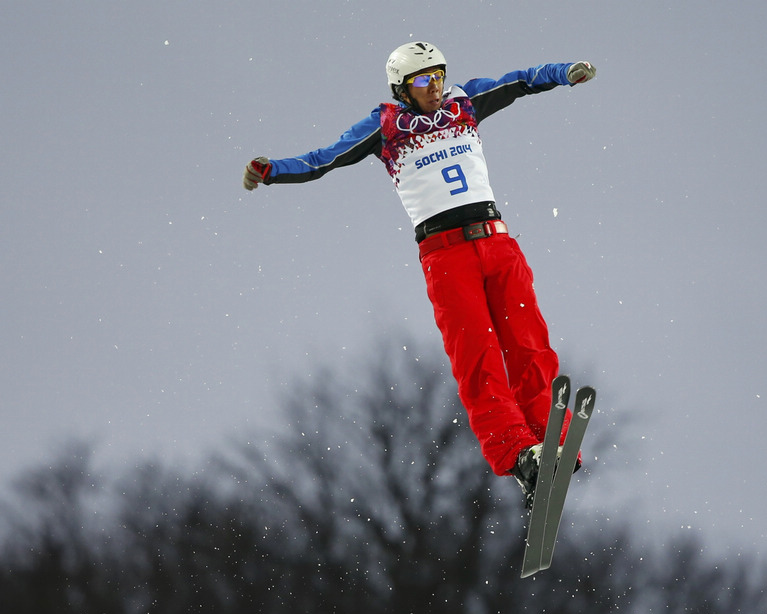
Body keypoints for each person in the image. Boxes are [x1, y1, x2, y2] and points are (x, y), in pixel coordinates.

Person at [243, 42, 596, 509]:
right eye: (423, 81)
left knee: (529, 344)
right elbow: (323, 159)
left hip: (496, 241)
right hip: (446, 255)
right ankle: (519, 454)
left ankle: (552, 439)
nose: (434, 88)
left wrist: (565, 72)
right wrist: (270, 171)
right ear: (401, 88)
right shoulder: (385, 126)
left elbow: (523, 79)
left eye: (439, 76)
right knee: (479, 361)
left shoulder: (464, 103)